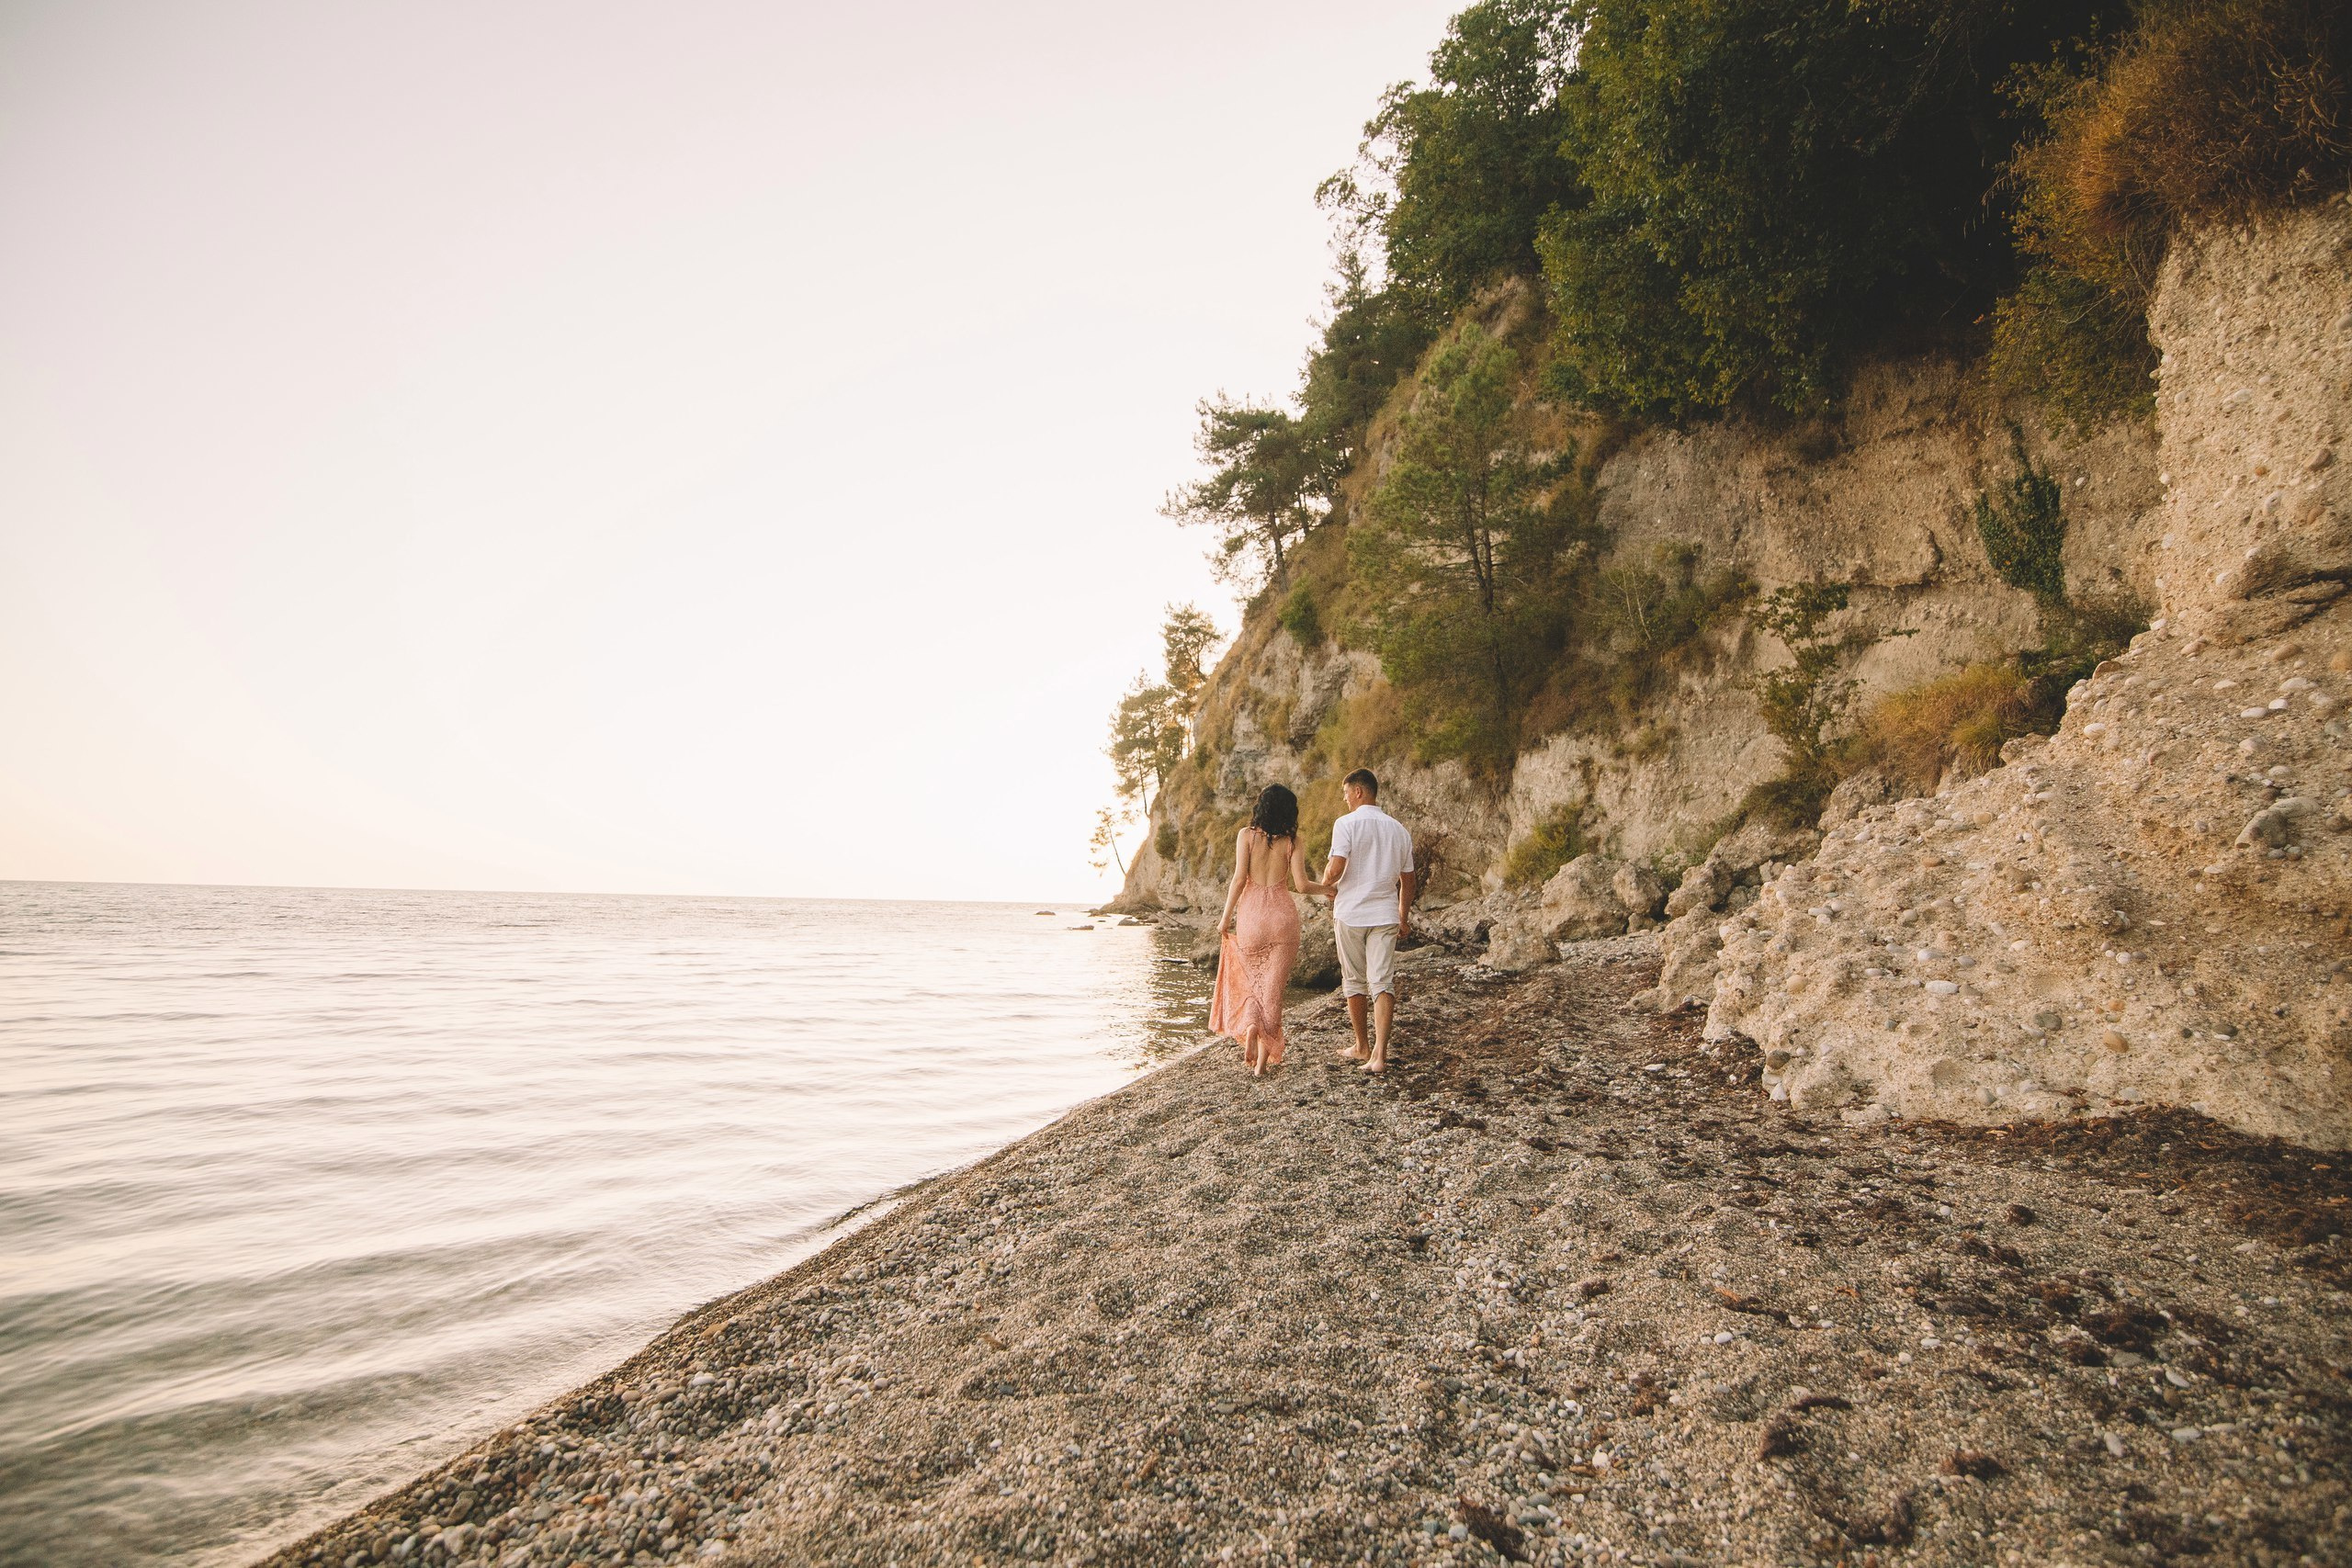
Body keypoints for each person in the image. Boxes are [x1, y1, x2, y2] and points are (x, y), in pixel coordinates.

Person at [1315, 769, 1416, 1072]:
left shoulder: (1345, 824)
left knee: (1354, 981)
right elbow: (1408, 881)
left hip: (1351, 913)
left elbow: (1336, 867)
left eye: (1346, 793)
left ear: (1359, 791)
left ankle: (1362, 1046)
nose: (1344, 799)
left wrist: (1325, 883)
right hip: (1384, 914)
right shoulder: (1399, 829)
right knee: (1382, 981)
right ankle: (1380, 1055)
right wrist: (1403, 916)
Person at [1209, 784, 1310, 1077]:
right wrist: (1329, 888)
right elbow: (1302, 885)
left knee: (1254, 985)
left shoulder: (1246, 836)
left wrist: (1225, 918)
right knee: (1272, 993)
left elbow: (1239, 879)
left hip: (1251, 918)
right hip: (1282, 919)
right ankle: (1261, 1066)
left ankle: (1252, 1026)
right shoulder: (1293, 841)